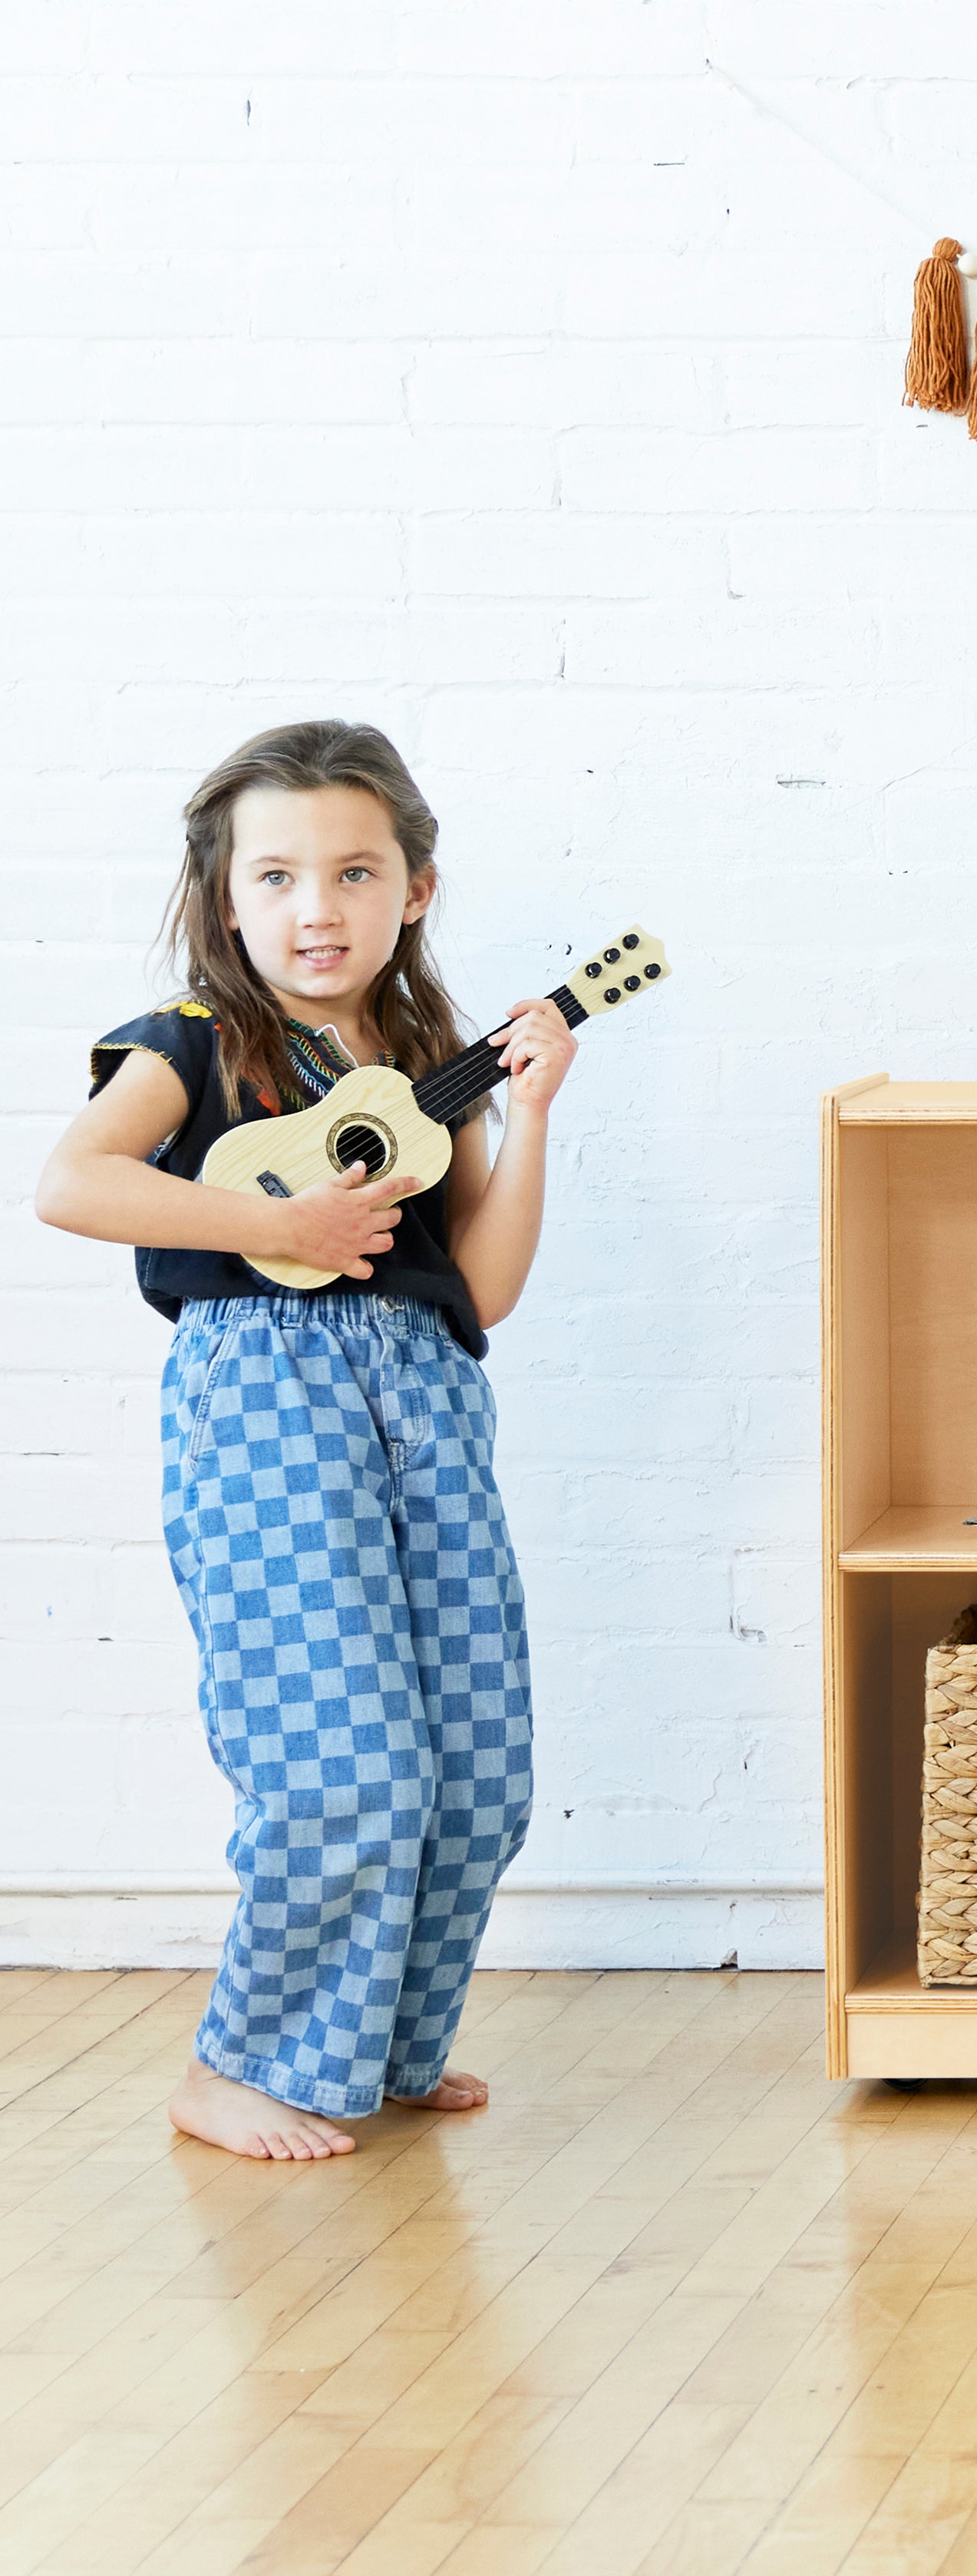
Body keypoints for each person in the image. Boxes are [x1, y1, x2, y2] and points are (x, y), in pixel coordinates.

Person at [35, 720, 576, 2160]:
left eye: (353, 872)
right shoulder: (196, 1047)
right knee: (340, 1760)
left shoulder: (421, 1068)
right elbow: (72, 1183)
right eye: (275, 876)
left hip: (430, 1398)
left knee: (477, 1762)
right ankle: (238, 2065)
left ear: (417, 890)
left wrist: (527, 1120)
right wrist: (277, 1227)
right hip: (267, 1400)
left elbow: (491, 1286)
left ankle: (379, 2048)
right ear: (227, 899)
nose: (315, 907)